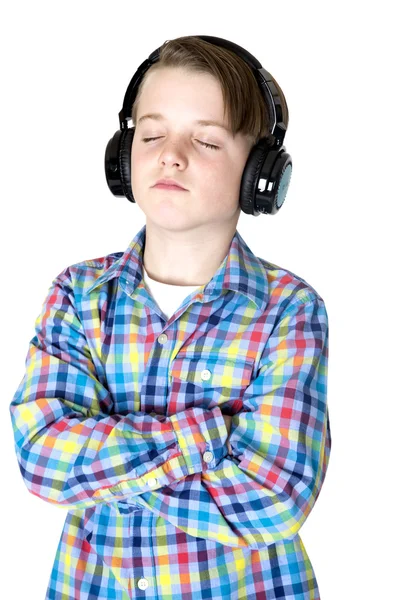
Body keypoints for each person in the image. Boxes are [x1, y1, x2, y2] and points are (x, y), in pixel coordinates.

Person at [9, 35, 331, 599]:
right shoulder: (78, 296)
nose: (170, 154)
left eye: (205, 140)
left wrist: (100, 476)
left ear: (261, 175)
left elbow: (274, 498)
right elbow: (42, 455)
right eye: (151, 133)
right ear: (123, 154)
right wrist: (209, 435)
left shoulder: (289, 310)